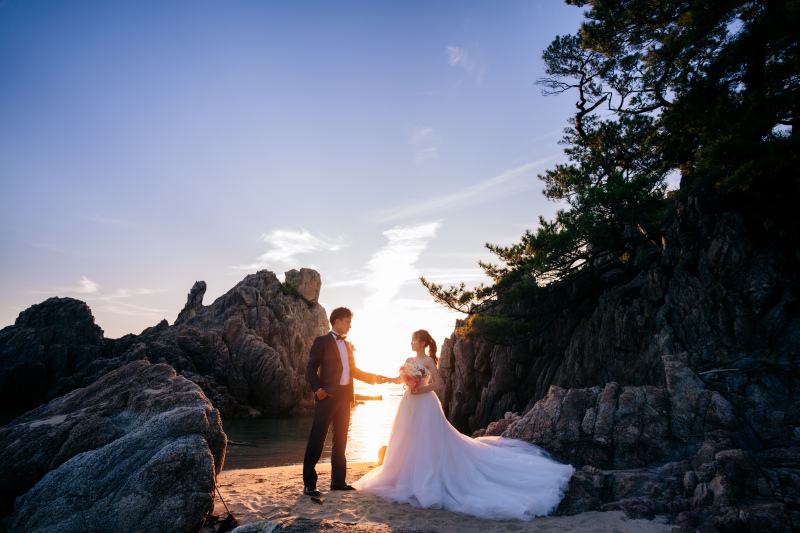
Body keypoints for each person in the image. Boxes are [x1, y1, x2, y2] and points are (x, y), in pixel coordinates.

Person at [353, 329, 575, 520]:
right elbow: (400, 379)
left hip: (425, 402)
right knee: (407, 438)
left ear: (422, 342)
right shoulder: (409, 360)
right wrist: (385, 379)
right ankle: (406, 474)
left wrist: (420, 389)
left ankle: (427, 476)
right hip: (409, 403)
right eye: (411, 339)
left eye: (414, 339)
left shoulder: (428, 361)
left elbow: (439, 383)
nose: (411, 342)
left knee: (428, 439)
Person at [302, 307, 388, 496]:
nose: (350, 326)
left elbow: (353, 371)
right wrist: (318, 389)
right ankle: (309, 484)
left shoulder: (348, 345)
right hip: (327, 397)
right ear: (338, 321)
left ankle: (338, 481)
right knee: (317, 439)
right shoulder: (322, 341)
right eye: (348, 322)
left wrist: (374, 378)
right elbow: (311, 367)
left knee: (341, 441)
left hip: (345, 397)